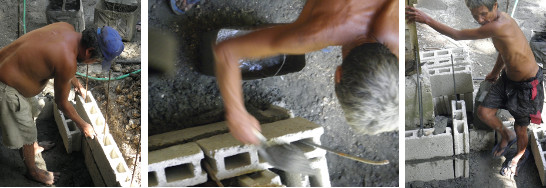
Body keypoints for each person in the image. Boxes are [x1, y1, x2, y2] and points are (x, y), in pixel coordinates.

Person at [213, 0, 399, 145]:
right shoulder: (316, 34)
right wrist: (236, 113)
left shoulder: (397, 31)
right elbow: (227, 51)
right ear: (338, 75)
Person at [406, 0, 541, 177]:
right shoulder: (494, 23)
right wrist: (494, 72)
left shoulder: (499, 24)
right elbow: (503, 51)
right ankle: (507, 135)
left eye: (483, 14)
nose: (480, 19)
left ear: (495, 5)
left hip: (526, 84)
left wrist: (427, 20)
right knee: (484, 112)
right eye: (475, 15)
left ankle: (518, 157)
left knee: (521, 127)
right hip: (508, 78)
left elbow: (457, 35)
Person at [0, 22, 124, 185]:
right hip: (6, 87)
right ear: (89, 52)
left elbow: (63, 62)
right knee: (25, 131)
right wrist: (83, 125)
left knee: (32, 112)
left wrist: (77, 84)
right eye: (94, 61)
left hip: (11, 67)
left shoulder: (67, 28)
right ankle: (33, 171)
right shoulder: (67, 61)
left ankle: (33, 148)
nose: (92, 63)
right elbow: (61, 103)